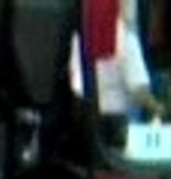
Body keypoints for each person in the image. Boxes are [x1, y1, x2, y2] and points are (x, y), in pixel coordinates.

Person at [70, 14, 164, 147]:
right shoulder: (127, 38)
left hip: (85, 125)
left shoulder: (79, 35)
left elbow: (76, 86)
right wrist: (157, 108)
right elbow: (139, 91)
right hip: (118, 129)